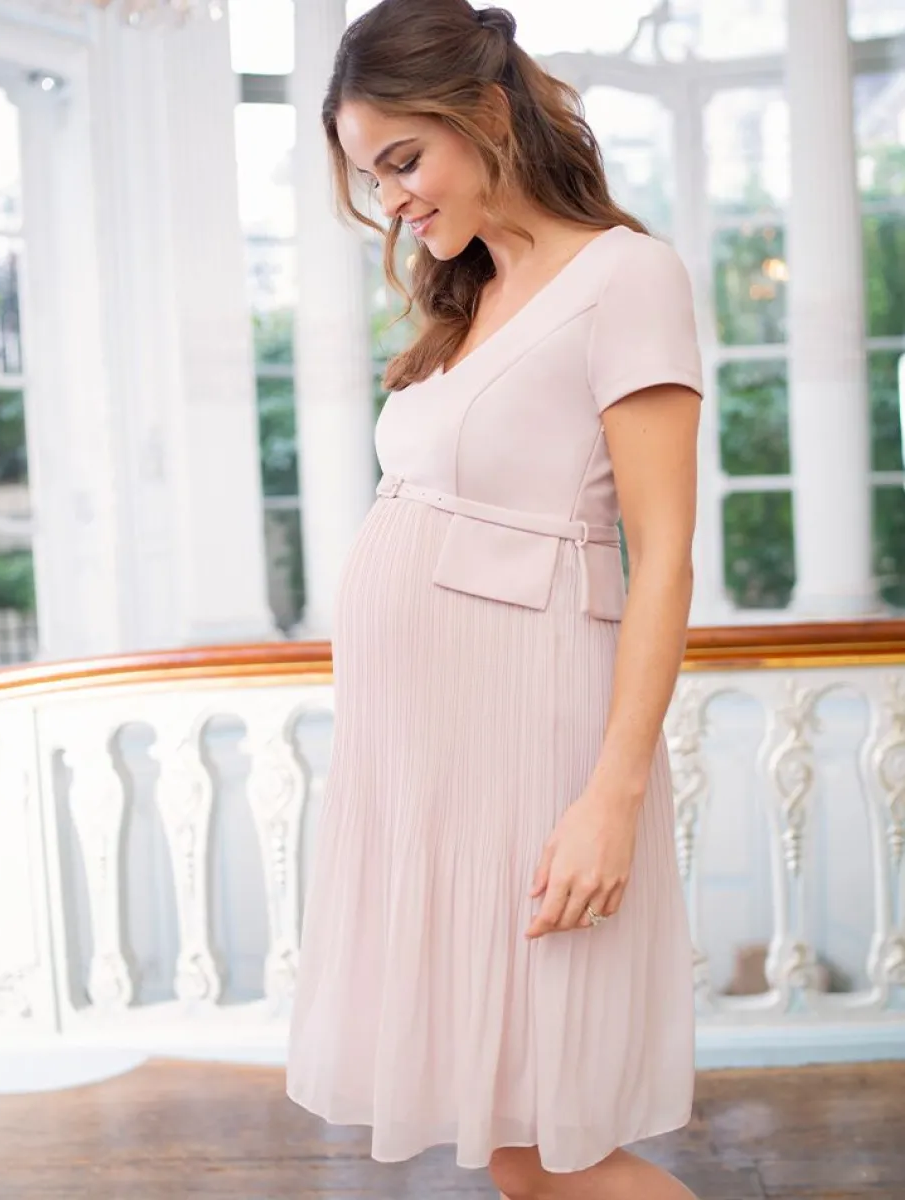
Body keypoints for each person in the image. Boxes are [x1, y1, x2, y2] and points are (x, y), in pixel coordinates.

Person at [284, 2, 704, 1197]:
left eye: (404, 160)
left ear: (484, 112)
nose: (392, 200)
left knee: (542, 1152)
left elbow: (665, 555)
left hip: (533, 749)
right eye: (372, 178)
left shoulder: (626, 278)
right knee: (515, 1147)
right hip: (428, 770)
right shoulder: (468, 298)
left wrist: (611, 797)